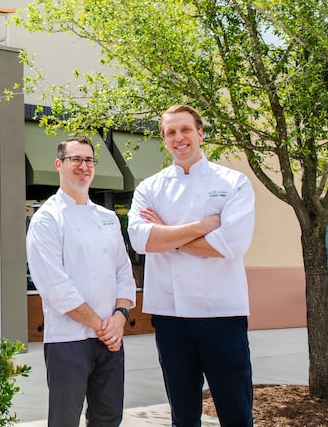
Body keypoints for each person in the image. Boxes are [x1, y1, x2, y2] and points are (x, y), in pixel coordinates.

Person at [127, 104, 256, 427]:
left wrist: (166, 234)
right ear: (163, 139)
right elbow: (141, 241)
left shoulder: (233, 182)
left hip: (222, 315)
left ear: (200, 133)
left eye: (185, 129)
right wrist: (204, 226)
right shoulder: (149, 188)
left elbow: (231, 244)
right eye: (170, 132)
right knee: (183, 416)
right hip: (171, 317)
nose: (178, 137)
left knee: (235, 412)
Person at [27, 135, 136, 427]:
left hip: (110, 339)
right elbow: (55, 288)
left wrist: (119, 318)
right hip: (68, 340)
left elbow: (124, 274)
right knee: (65, 419)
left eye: (89, 160)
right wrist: (102, 325)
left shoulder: (108, 217)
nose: (83, 166)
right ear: (59, 164)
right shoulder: (47, 219)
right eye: (76, 159)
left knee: (108, 418)